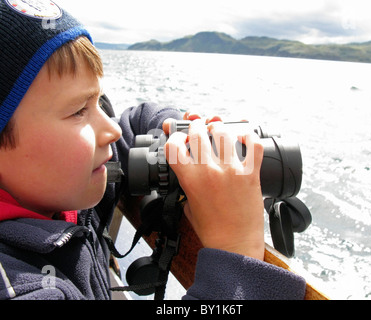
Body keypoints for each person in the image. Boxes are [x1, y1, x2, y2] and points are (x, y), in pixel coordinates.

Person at [0, 0, 306, 300]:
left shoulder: (60, 186)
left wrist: (184, 139)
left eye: (98, 102)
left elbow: (136, 122)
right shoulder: (18, 287)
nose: (112, 129)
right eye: (79, 111)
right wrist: (235, 250)